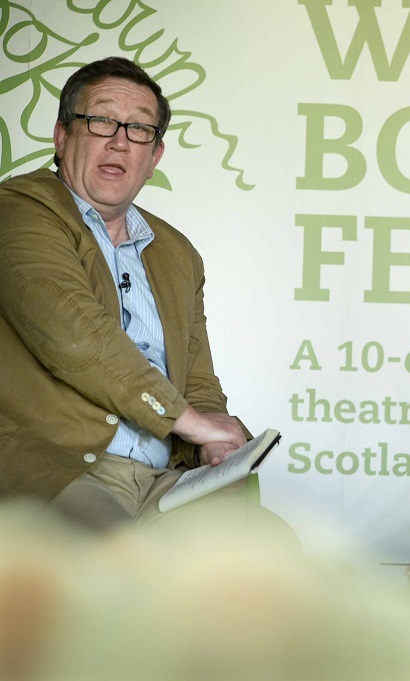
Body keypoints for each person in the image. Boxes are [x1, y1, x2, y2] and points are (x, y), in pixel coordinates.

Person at [0, 57, 253, 530]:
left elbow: (197, 378)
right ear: (61, 136)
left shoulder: (178, 253)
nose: (119, 141)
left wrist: (216, 438)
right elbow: (76, 337)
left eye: (140, 129)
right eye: (100, 121)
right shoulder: (19, 210)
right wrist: (193, 423)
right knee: (116, 568)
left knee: (269, 554)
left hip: (164, 479)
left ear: (154, 158)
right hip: (59, 469)